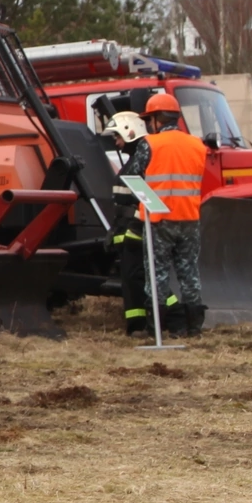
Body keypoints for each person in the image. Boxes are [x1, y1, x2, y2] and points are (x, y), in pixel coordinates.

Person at [143, 90, 209, 336]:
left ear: (157, 119)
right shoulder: (197, 145)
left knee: (157, 275)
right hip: (190, 218)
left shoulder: (150, 144)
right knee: (189, 273)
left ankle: (156, 329)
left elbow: (134, 175)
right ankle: (194, 328)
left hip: (160, 221)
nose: (148, 125)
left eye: (149, 119)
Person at [103, 110, 153, 338]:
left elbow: (140, 200)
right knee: (133, 279)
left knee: (136, 278)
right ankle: (138, 325)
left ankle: (143, 326)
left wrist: (130, 229)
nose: (116, 142)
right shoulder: (135, 160)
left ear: (129, 132)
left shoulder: (140, 160)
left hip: (135, 231)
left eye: (118, 136)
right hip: (127, 231)